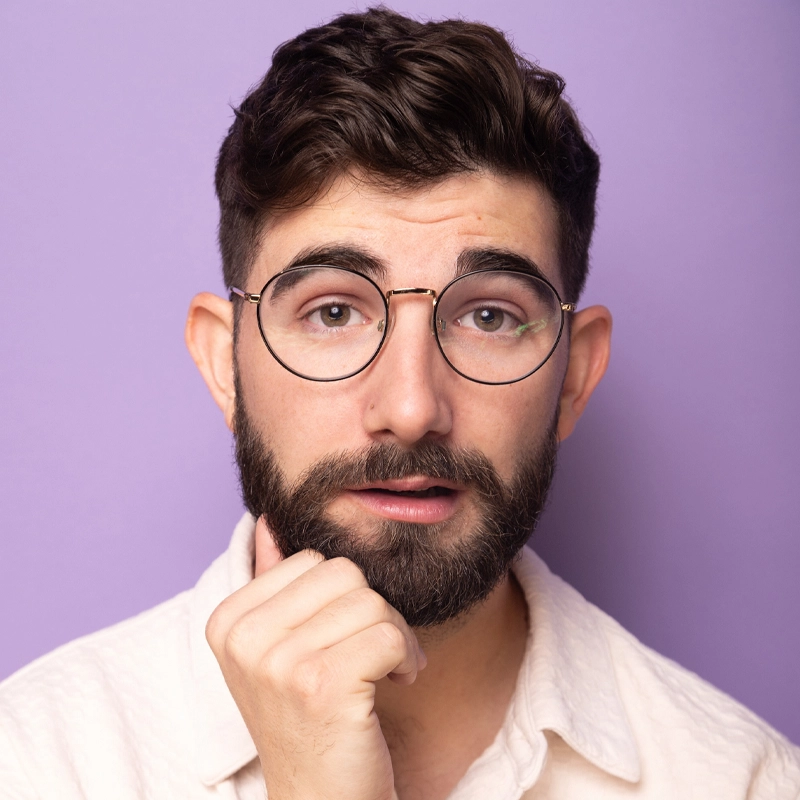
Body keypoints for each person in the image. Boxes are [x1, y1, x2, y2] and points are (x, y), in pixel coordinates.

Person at [1, 7, 798, 799]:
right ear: (224, 364)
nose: (413, 408)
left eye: (489, 317)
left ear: (576, 377)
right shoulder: (36, 761)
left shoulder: (743, 782)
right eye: (334, 312)